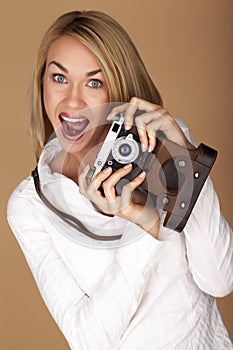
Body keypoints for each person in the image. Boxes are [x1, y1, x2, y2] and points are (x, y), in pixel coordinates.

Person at [7, 10, 233, 350]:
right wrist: (143, 223)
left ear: (117, 86)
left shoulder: (162, 141)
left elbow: (220, 279)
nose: (72, 100)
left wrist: (186, 159)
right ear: (42, 82)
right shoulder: (29, 206)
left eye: (94, 82)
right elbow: (88, 340)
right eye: (59, 78)